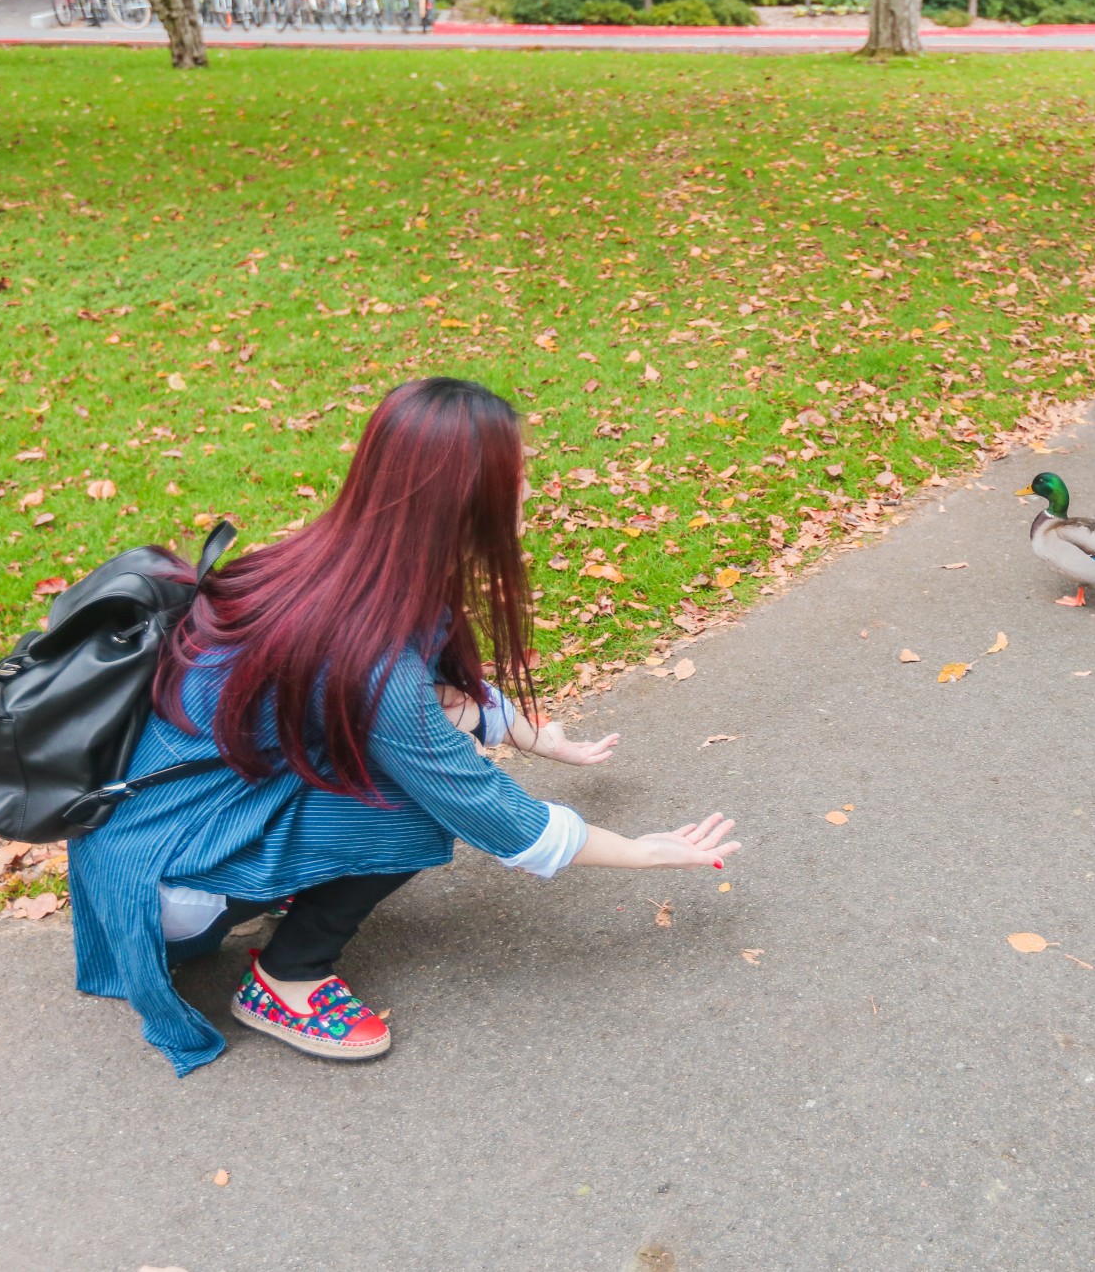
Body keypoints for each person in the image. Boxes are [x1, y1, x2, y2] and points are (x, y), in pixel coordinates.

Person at [69, 377, 740, 1075]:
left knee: (405, 768)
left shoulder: (340, 567)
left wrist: (526, 730)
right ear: (460, 503)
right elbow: (493, 812)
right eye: (516, 480)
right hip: (167, 882)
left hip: (142, 833)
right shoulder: (375, 656)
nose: (529, 493)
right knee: (418, 809)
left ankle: (285, 882)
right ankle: (287, 978)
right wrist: (645, 851)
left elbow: (412, 692)